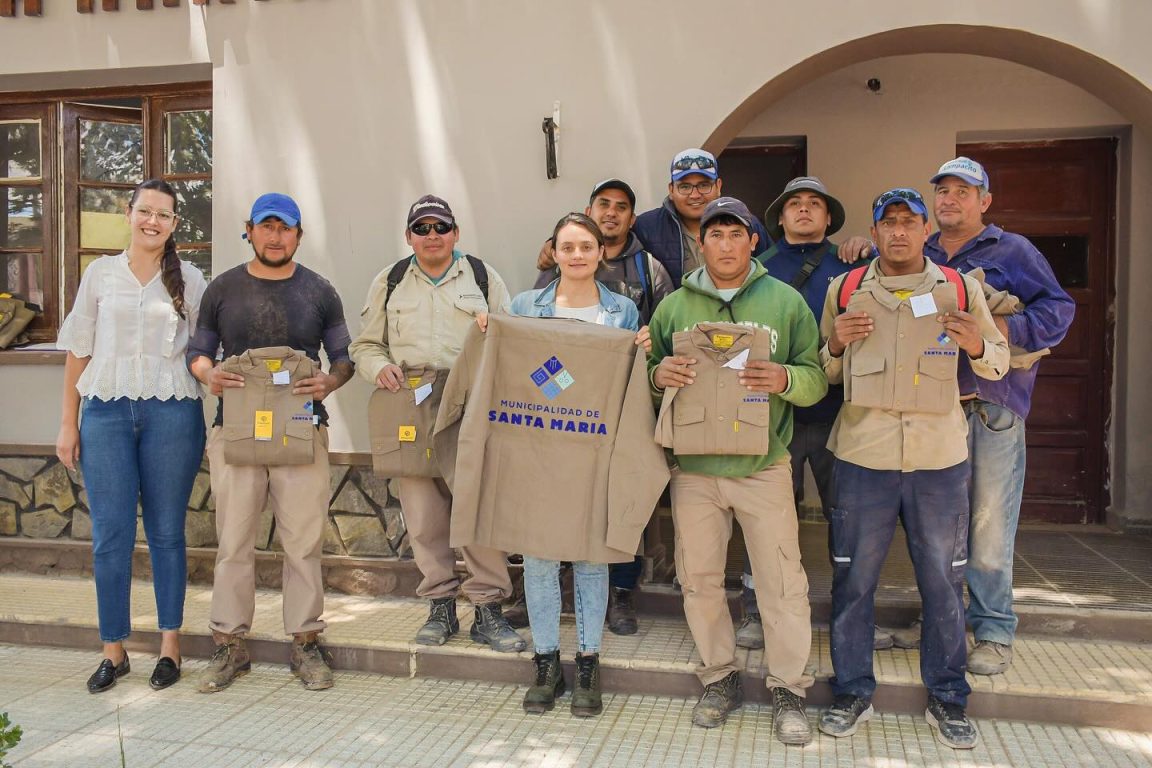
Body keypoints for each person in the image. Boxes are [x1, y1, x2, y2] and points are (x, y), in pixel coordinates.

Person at [816, 187, 1008, 749]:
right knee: (853, 581)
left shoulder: (959, 289)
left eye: (909, 221)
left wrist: (977, 346)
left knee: (944, 583)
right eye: (889, 222)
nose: (898, 231)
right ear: (874, 232)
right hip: (863, 458)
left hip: (938, 462)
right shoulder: (845, 289)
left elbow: (998, 365)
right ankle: (852, 692)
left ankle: (948, 697)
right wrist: (835, 344)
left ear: (927, 230)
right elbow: (822, 373)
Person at [648, 196, 827, 745]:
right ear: (700, 243)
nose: (725, 244)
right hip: (694, 471)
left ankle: (789, 688)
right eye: (715, 235)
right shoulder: (673, 307)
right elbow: (647, 375)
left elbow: (816, 378)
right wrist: (659, 376)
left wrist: (785, 380)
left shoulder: (786, 301)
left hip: (763, 466)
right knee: (699, 579)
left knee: (781, 581)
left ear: (753, 241)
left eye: (735, 234)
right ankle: (719, 677)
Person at [888, 158, 1075, 675]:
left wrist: (999, 331)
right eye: (942, 191)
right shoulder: (921, 251)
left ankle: (993, 630)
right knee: (935, 528)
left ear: (984, 201)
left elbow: (1058, 310)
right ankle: (940, 623)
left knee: (989, 528)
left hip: (992, 406)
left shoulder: (1013, 250)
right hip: (930, 407)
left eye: (963, 191)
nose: (950, 199)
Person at [188, 192, 354, 693]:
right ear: (250, 230)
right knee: (233, 542)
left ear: (298, 235)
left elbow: (343, 357)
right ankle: (229, 646)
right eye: (267, 226)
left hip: (302, 429)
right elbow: (198, 351)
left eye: (285, 228)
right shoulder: (222, 288)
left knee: (303, 542)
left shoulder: (320, 291)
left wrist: (330, 381)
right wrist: (208, 374)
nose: (275, 236)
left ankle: (305, 642)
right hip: (236, 431)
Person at [349, 195, 526, 654]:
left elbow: (511, 338)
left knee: (477, 507)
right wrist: (379, 368)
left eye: (441, 227)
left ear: (456, 233)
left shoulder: (482, 277)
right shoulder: (390, 281)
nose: (432, 236)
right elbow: (365, 345)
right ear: (409, 236)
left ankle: (488, 609)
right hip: (411, 400)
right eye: (422, 228)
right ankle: (440, 606)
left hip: (470, 400)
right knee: (424, 513)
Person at [56, 179, 207, 694]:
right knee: (110, 535)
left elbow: (203, 350)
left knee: (166, 532)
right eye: (145, 211)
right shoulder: (100, 273)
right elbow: (78, 348)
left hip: (173, 413)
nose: (152, 222)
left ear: (174, 224)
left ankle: (170, 646)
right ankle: (113, 651)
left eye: (163, 215)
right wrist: (68, 422)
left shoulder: (190, 278)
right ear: (129, 213)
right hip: (105, 413)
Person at [734, 177, 893, 652]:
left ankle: (855, 622)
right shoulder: (756, 268)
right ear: (780, 217)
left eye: (814, 204)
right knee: (762, 523)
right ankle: (756, 613)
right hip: (772, 416)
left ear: (828, 217)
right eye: (794, 204)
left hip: (839, 415)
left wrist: (870, 249)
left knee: (848, 523)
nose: (804, 210)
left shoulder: (855, 266)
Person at [510, 212, 648, 717]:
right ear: (554, 251)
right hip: (539, 452)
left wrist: (643, 351)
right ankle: (546, 663)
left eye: (586, 246)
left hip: (596, 450)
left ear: (601, 252)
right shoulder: (525, 306)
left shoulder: (622, 311)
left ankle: (589, 661)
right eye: (567, 247)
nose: (577, 255)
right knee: (540, 559)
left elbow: (627, 382)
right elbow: (513, 371)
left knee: (592, 558)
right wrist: (488, 331)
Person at [534, 178, 674, 635]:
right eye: (603, 204)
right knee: (550, 523)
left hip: (609, 423)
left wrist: (649, 348)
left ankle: (620, 595)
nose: (611, 212)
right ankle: (551, 614)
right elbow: (527, 354)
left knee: (615, 515)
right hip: (550, 427)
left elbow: (660, 335)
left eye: (621, 206)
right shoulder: (534, 296)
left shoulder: (641, 279)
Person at [634, 149, 772, 286]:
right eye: (685, 187)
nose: (695, 195)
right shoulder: (646, 227)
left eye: (704, 185)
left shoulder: (747, 223)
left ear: (718, 186)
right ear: (671, 190)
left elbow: (771, 275)